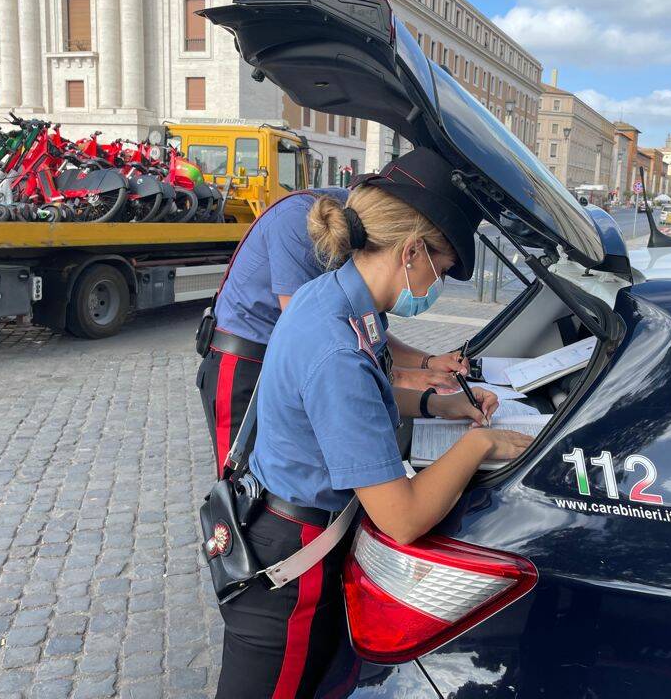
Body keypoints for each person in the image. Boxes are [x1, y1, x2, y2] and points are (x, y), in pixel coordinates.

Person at [213, 149, 533, 698]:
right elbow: (402, 517)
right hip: (292, 565)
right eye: (444, 270)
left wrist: (437, 405)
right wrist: (479, 443)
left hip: (291, 529)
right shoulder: (337, 345)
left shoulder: (337, 299)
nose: (442, 283)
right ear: (412, 252)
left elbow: (361, 403)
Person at [196, 155, 474, 478]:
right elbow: (323, 348)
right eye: (440, 270)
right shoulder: (301, 226)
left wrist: (427, 363)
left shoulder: (367, 245)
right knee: (240, 478)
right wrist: (406, 380)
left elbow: (367, 336)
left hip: (292, 361)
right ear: (409, 243)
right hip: (245, 358)